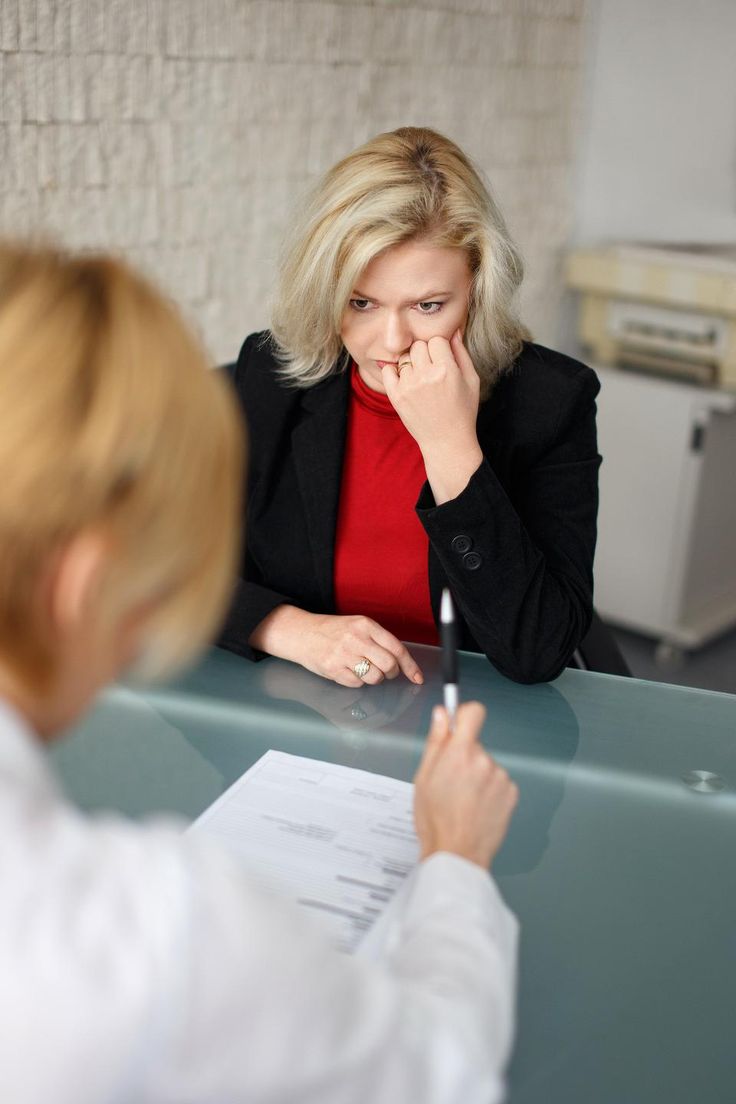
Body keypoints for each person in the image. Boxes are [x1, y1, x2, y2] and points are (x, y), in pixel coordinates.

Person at [0, 241, 519, 1104]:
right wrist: (456, 865)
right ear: (86, 585)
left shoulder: (542, 401)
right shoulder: (162, 936)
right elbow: (442, 1070)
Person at [218, 126, 601, 687]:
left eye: (428, 304)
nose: (391, 340)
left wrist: (450, 445)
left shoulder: (550, 402)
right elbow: (168, 566)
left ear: (478, 290)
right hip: (310, 706)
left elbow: (539, 648)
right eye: (361, 302)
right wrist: (286, 627)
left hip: (478, 719)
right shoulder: (271, 374)